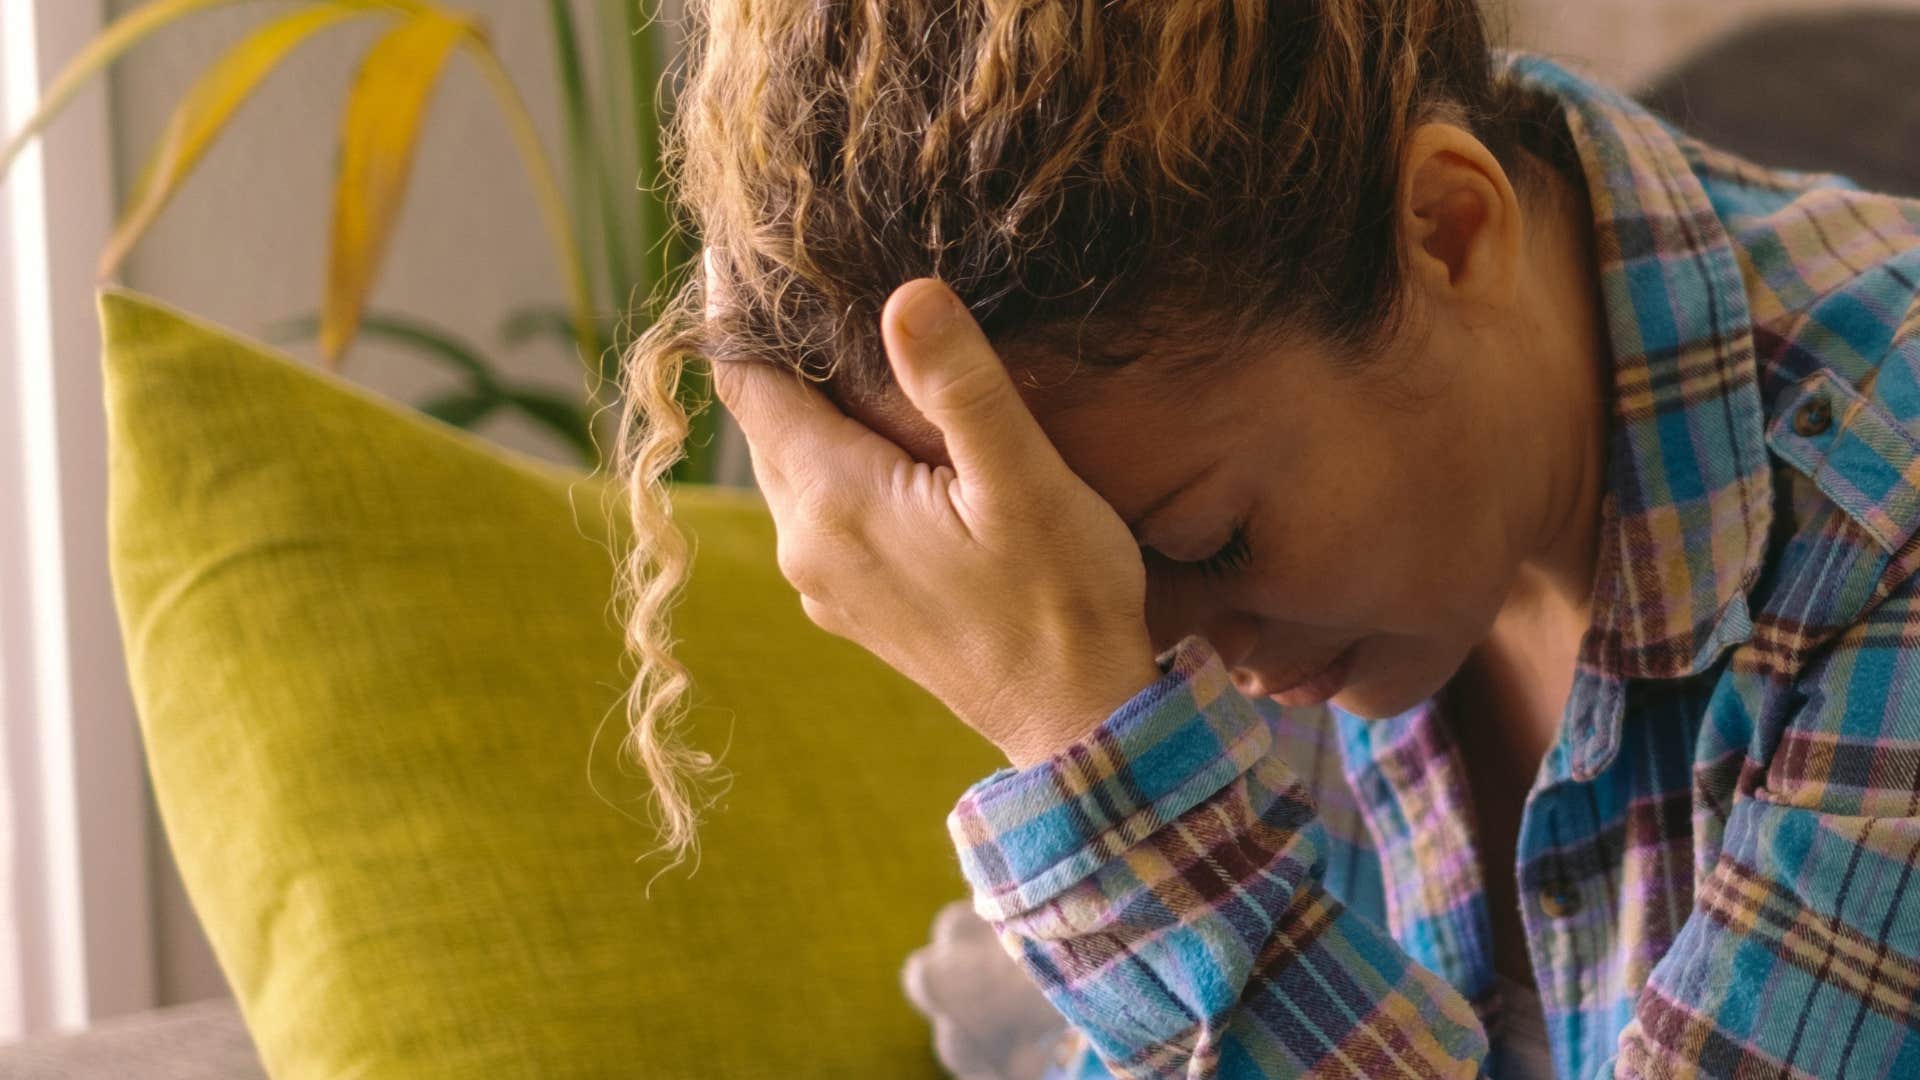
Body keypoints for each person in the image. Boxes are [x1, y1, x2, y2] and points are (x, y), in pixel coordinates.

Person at [610, 1, 1920, 1076]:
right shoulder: (1299, 472)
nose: (1175, 666)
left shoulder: (1887, 518)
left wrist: (1080, 750)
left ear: (1450, 231)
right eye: (1070, 584)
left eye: (1206, 542)